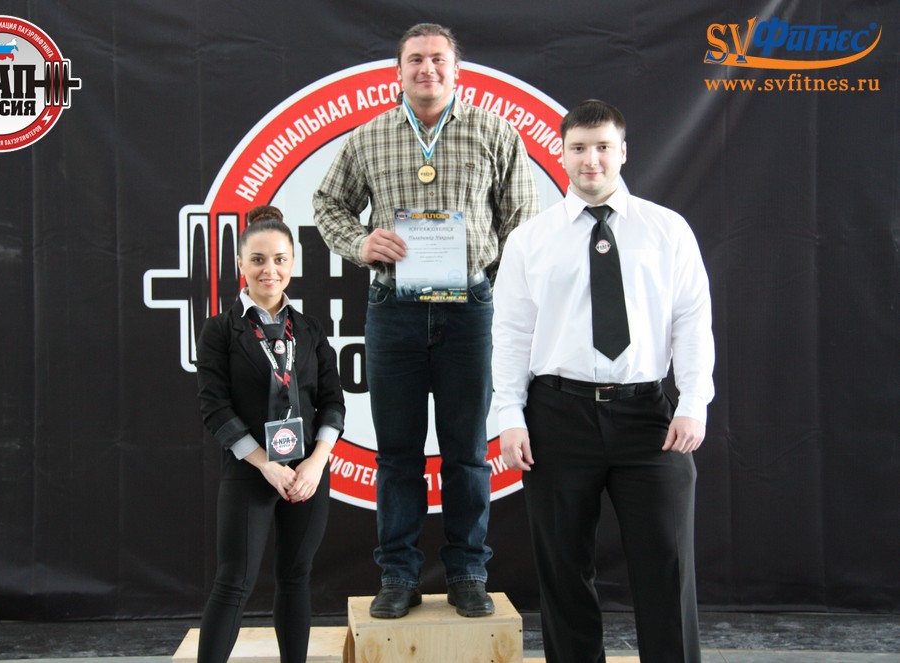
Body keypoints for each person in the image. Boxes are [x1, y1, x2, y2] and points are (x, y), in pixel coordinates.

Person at [313, 23, 539, 619]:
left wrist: (501, 288)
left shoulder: (495, 132)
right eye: (415, 60)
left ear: (457, 70)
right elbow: (328, 203)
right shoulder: (369, 136)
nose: (427, 69)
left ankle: (468, 572)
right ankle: (398, 575)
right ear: (399, 71)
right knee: (397, 453)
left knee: (467, 451)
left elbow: (522, 219)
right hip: (395, 311)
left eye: (438, 59)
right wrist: (360, 243)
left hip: (470, 310)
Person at [492, 99, 714, 663]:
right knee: (563, 569)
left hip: (648, 417)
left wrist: (693, 401)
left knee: (666, 565)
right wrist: (509, 415)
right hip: (556, 416)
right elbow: (512, 333)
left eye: (603, 147)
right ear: (561, 154)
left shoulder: (667, 230)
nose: (590, 159)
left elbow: (692, 320)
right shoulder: (530, 239)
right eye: (578, 148)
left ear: (623, 151)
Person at [195, 206, 346, 663]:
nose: (270, 270)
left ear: (292, 264)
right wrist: (266, 465)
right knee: (234, 582)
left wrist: (316, 463)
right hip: (252, 473)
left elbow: (333, 401)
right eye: (258, 260)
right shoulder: (220, 330)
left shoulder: (310, 329)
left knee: (296, 578)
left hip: (307, 475)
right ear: (240, 264)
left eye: (280, 259)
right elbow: (214, 407)